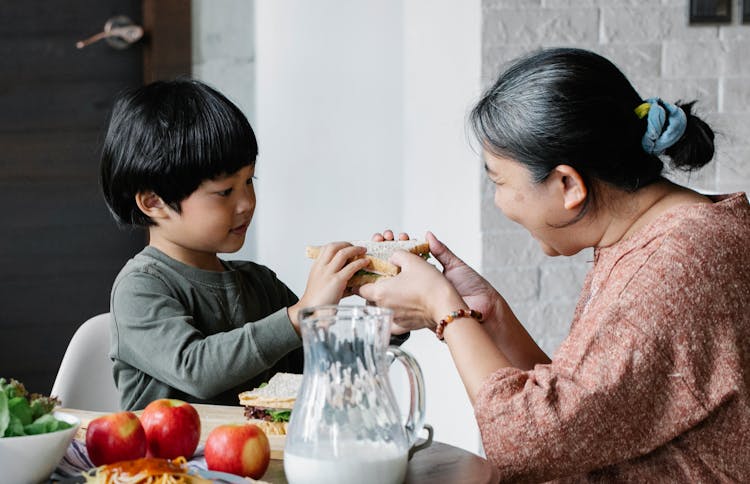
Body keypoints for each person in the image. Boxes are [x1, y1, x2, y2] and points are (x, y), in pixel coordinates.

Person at [357, 48, 750, 481]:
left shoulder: (671, 268)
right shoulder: (666, 237)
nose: (500, 202)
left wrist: (445, 310)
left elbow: (524, 446)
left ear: (568, 184)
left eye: (499, 182)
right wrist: (488, 313)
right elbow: (582, 416)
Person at [100, 79, 371, 410]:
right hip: (169, 462)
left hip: (263, 459)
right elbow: (196, 369)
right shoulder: (141, 287)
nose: (246, 203)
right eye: (225, 192)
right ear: (154, 202)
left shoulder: (261, 284)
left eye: (249, 181)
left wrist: (380, 317)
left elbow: (329, 369)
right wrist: (299, 316)